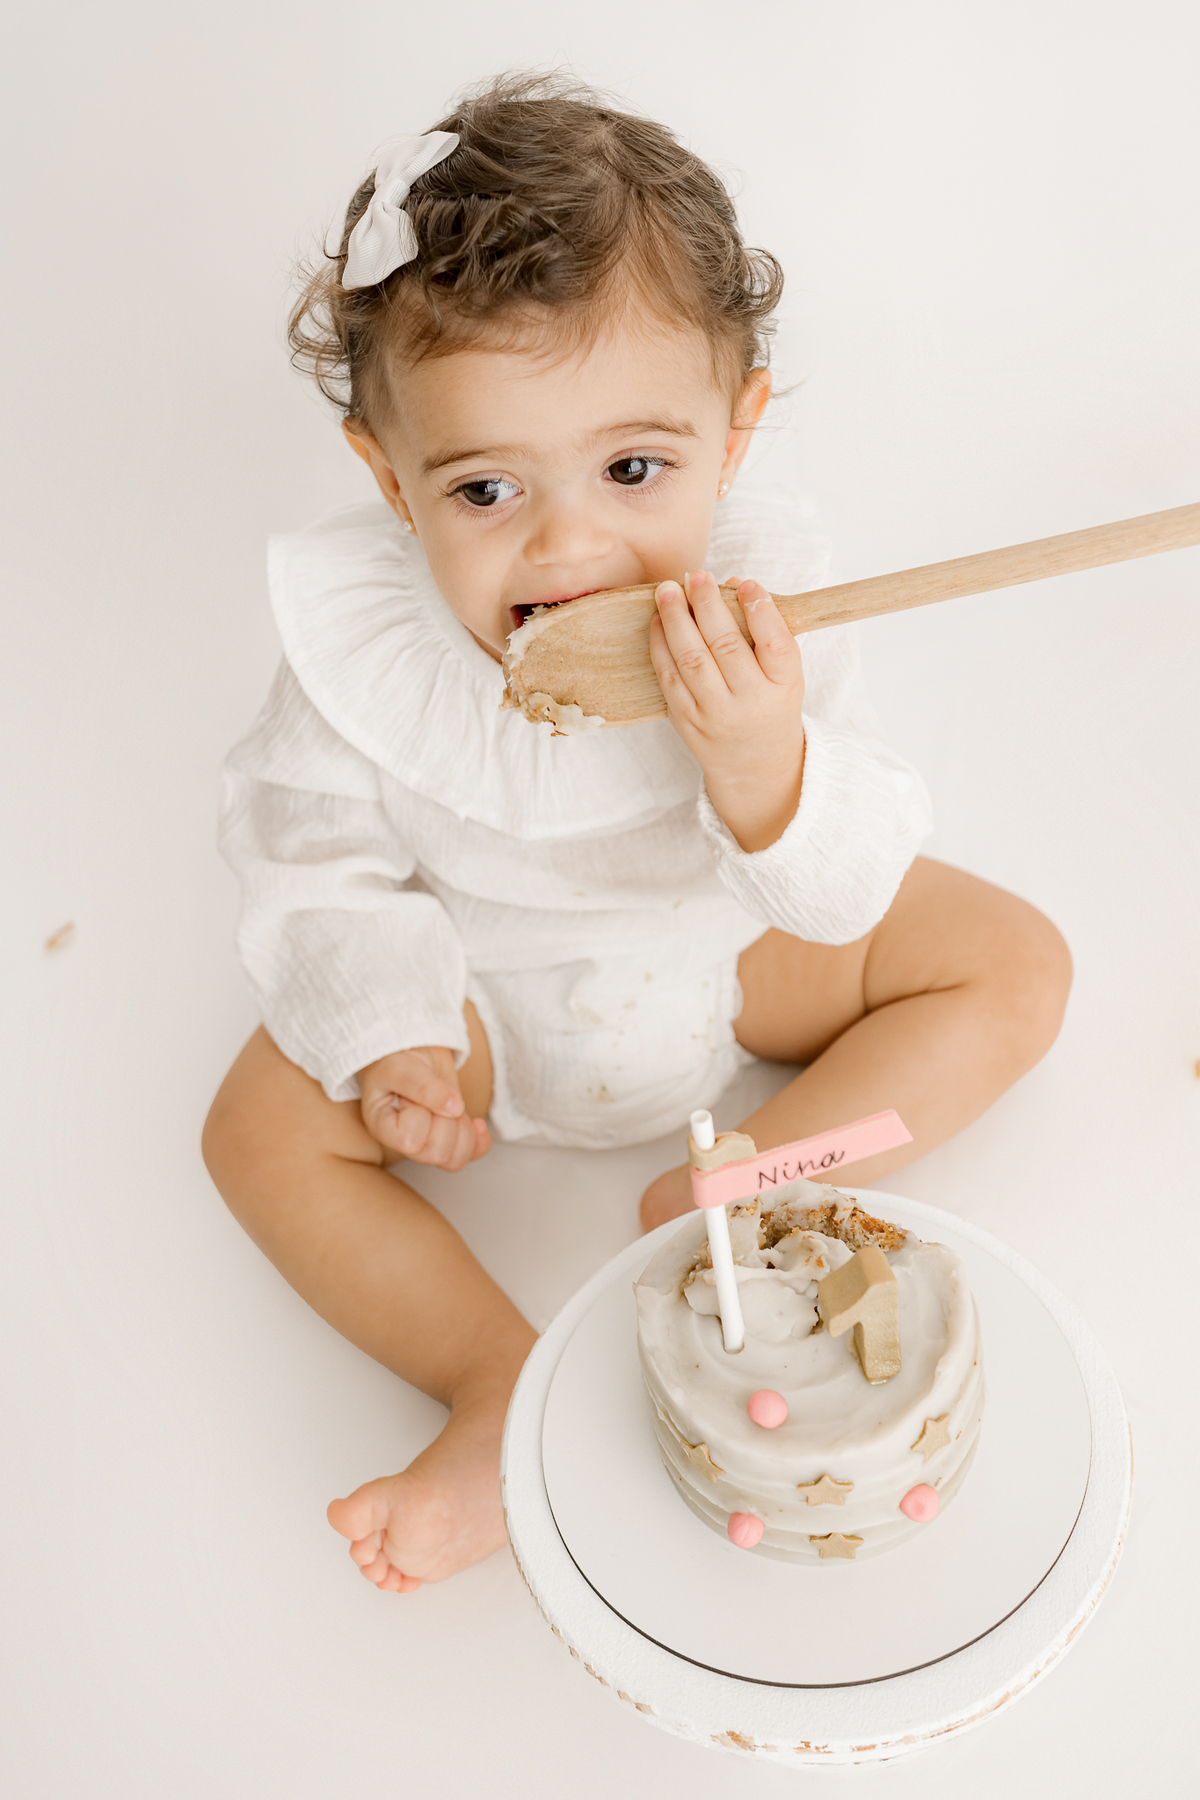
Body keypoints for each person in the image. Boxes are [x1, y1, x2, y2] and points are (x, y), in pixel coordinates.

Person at [202, 74, 1071, 1597]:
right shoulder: (365, 652)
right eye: (486, 488)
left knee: (1016, 964)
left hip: (733, 954)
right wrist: (392, 1029)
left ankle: (747, 1179)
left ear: (734, 436)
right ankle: (493, 1382)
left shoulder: (769, 602)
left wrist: (764, 768)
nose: (570, 545)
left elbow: (850, 877)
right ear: (390, 478)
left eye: (632, 469)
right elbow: (307, 855)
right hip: (486, 996)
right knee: (254, 1136)